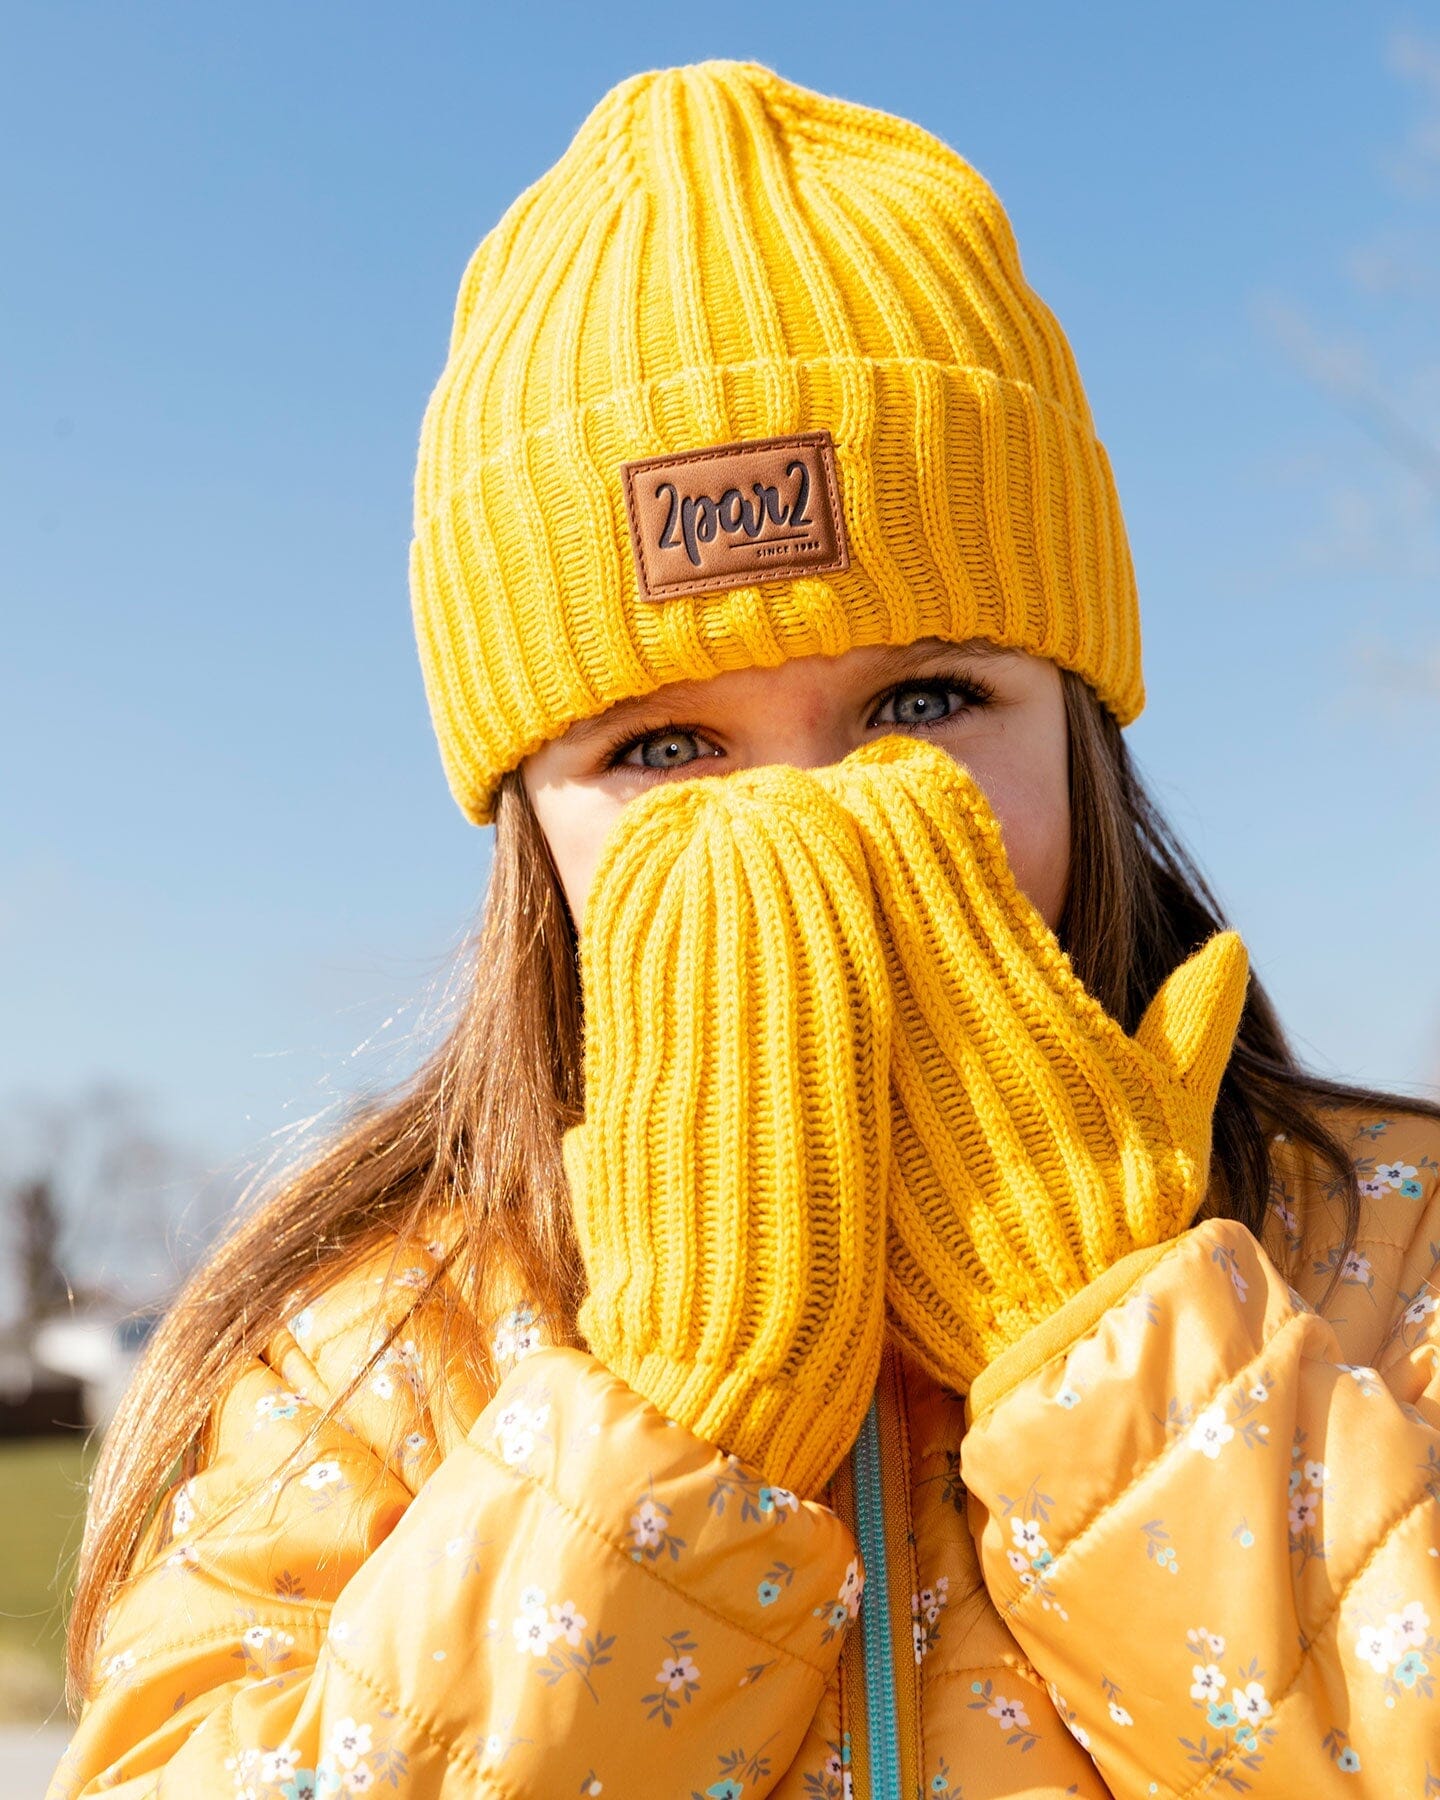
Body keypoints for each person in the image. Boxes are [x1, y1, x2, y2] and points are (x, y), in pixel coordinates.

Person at [49, 60, 1440, 1800]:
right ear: (527, 836)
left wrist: (1104, 1341)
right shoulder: (376, 1353)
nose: (810, 824)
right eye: (663, 748)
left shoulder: (1388, 1254)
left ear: (1081, 724)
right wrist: (673, 1425)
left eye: (922, 699)